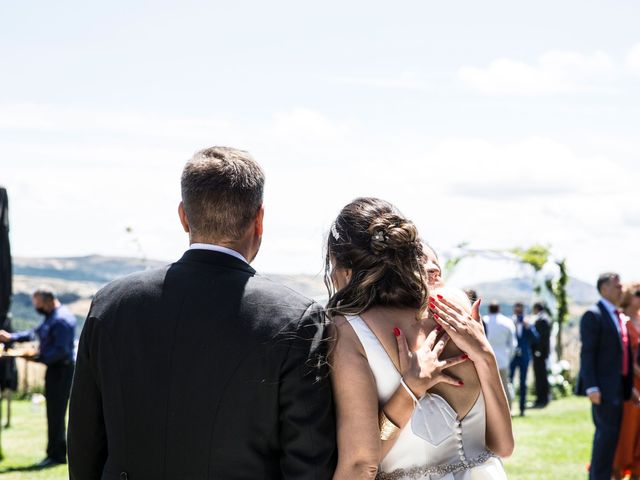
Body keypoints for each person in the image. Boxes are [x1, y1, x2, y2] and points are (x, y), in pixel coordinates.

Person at [67, 147, 336, 480]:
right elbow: (308, 460)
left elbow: (84, 440)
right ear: (259, 219)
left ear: (183, 216)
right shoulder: (296, 317)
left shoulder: (110, 304)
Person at [327, 197, 512, 479]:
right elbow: (503, 446)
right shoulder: (458, 305)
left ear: (344, 266)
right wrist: (485, 357)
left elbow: (361, 464)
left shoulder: (351, 329)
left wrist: (409, 390)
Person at [0, 288, 76, 467]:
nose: (36, 308)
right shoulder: (51, 317)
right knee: (52, 413)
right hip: (54, 370)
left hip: (62, 371)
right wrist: (11, 338)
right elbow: (36, 333)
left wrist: (36, 357)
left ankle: (57, 455)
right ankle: (54, 452)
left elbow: (61, 350)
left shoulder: (62, 320)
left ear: (48, 301)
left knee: (56, 413)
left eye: (38, 304)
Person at [577, 273, 634, 480]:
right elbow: (587, 353)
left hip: (619, 389)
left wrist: (631, 388)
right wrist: (591, 387)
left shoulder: (617, 315)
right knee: (605, 437)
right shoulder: (594, 315)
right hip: (603, 389)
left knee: (612, 439)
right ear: (604, 289)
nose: (621, 290)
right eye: (617, 286)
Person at [613, 281, 640, 479]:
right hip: (633, 384)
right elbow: (623, 356)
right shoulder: (623, 321)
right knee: (628, 430)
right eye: (638, 293)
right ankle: (618, 470)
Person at [483, 301, 517, 411]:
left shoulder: (484, 321)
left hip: (486, 361)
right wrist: (509, 358)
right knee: (505, 386)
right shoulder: (507, 322)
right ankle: (509, 410)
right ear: (499, 309)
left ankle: (492, 411)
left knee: (488, 388)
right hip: (503, 360)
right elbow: (513, 344)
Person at [509, 302, 538, 416]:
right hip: (512, 356)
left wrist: (528, 327)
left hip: (524, 357)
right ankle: (508, 409)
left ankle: (522, 409)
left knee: (523, 383)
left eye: (520, 311)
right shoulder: (510, 322)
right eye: (517, 311)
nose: (518, 313)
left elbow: (536, 338)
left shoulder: (528, 322)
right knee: (509, 382)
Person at [531, 302, 551, 408]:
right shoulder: (544, 318)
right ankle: (542, 397)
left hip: (540, 354)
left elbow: (542, 338)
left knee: (540, 376)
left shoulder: (542, 320)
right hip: (541, 353)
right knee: (540, 376)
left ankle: (542, 399)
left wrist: (538, 351)